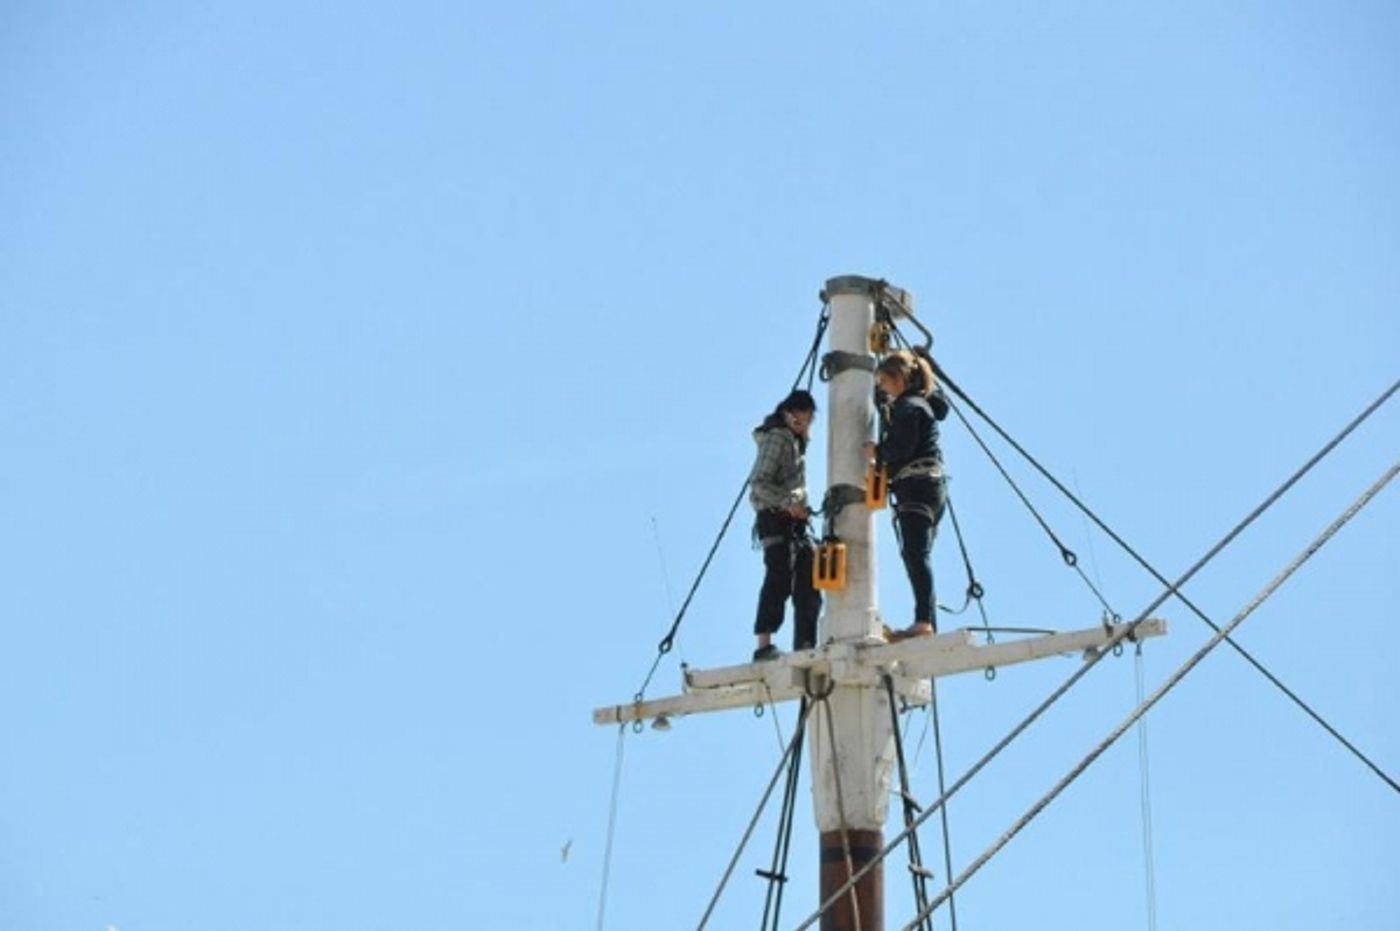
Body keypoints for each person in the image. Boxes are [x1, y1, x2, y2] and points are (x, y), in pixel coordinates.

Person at [862, 350, 949, 640]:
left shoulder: (909, 406)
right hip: (929, 488)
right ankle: (926, 622)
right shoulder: (918, 403)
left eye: (886, 383)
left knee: (915, 554)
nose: (884, 389)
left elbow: (902, 446)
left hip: (916, 486)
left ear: (898, 380)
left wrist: (878, 452)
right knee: (917, 555)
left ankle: (924, 622)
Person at [748, 389, 821, 661]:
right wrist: (788, 502)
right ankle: (764, 642)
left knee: (808, 582)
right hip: (775, 518)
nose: (804, 428)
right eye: (800, 421)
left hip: (794, 523)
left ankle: (805, 644)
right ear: (788, 415)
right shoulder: (777, 439)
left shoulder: (794, 441)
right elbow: (759, 483)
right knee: (779, 577)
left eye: (808, 422)